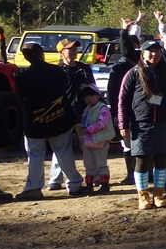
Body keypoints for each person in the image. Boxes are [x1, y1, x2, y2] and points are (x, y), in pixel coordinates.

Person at [15, 43, 85, 200]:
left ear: (25, 57)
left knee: (35, 155)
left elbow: (21, 98)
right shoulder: (57, 71)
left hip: (35, 123)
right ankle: (74, 184)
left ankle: (34, 188)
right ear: (42, 54)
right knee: (64, 152)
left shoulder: (23, 77)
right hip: (60, 119)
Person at [118, 39, 166, 210]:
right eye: (150, 51)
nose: (154, 54)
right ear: (143, 53)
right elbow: (123, 99)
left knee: (162, 159)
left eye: (157, 51)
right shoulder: (133, 73)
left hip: (163, 123)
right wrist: (122, 123)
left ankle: (158, 194)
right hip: (140, 123)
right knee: (142, 160)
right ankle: (143, 195)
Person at [46, 37, 96, 190]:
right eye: (70, 49)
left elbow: (93, 88)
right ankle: (55, 179)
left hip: (84, 112)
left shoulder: (84, 68)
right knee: (61, 147)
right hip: (63, 113)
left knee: (89, 146)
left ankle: (93, 177)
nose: (74, 51)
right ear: (61, 52)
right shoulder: (55, 71)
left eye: (75, 48)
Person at [109, 17, 142, 186]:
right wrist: (116, 115)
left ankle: (145, 173)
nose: (134, 50)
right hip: (125, 112)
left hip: (143, 112)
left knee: (144, 143)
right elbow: (112, 93)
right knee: (127, 144)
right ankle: (131, 174)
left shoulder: (145, 64)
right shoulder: (118, 68)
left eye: (135, 46)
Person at [78, 84, 113, 195]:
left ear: (98, 95)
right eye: (86, 97)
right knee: (88, 164)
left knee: (101, 163)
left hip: (100, 140)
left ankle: (104, 185)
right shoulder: (87, 109)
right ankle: (89, 185)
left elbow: (102, 123)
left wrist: (87, 129)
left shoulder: (103, 108)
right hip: (88, 141)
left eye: (91, 96)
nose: (89, 99)